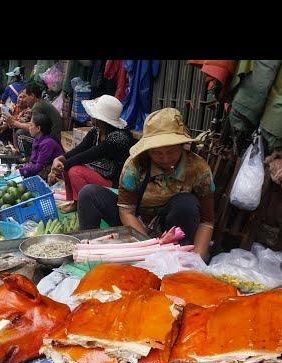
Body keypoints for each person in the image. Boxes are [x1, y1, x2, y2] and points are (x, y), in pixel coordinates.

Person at [77, 108, 215, 258]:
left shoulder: (199, 168)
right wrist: (152, 249)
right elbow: (126, 212)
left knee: (186, 204)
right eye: (157, 153)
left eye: (171, 152)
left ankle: (179, 256)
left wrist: (197, 260)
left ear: (182, 146)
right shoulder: (135, 166)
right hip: (135, 221)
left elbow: (207, 221)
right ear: (148, 151)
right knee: (88, 194)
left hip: (171, 223)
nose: (165, 159)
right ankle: (88, 253)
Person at [48, 95, 134, 213]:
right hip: (101, 172)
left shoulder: (119, 138)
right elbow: (81, 148)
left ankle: (84, 204)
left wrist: (63, 165)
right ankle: (76, 201)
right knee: (69, 167)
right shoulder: (97, 130)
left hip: (114, 181)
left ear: (101, 119)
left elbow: (90, 154)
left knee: (75, 171)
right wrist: (62, 158)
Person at [5, 83, 62, 157]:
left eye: (25, 96)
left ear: (32, 96)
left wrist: (14, 123)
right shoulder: (40, 103)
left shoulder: (38, 106)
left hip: (52, 139)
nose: (24, 100)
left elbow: (30, 126)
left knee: (20, 134)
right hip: (50, 136)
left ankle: (27, 158)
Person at [18, 113, 65, 179]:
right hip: (42, 170)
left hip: (53, 174)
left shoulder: (47, 143)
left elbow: (38, 167)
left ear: (38, 128)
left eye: (31, 125)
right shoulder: (37, 139)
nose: (29, 128)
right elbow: (33, 160)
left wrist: (21, 170)